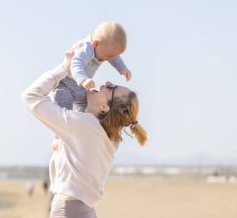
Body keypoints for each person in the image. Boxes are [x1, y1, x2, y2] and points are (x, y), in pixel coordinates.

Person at [21, 49, 147, 218]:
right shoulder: (109, 137)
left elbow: (30, 96)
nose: (107, 82)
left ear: (105, 108)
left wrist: (65, 68)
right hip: (85, 210)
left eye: (111, 88)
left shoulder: (84, 126)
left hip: (68, 210)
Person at [50, 21, 132, 112]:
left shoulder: (103, 47)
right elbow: (76, 63)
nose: (106, 59)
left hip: (81, 88)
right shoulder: (86, 48)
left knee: (87, 105)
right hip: (67, 83)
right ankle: (62, 120)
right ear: (96, 44)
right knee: (62, 102)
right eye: (106, 57)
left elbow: (115, 59)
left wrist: (123, 68)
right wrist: (83, 79)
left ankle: (77, 121)